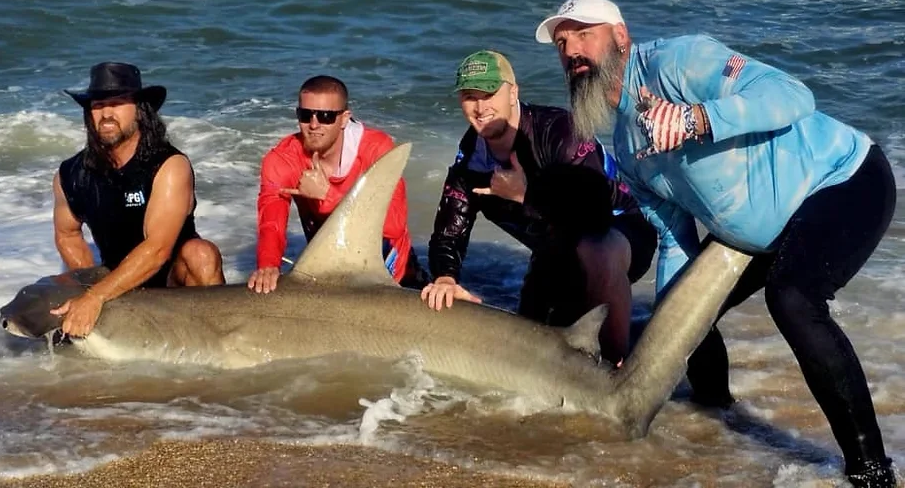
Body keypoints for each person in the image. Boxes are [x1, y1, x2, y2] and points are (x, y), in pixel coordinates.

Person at [535, 0, 898, 488]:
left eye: (584, 34)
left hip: (843, 182)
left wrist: (696, 119)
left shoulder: (677, 61)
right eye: (562, 42)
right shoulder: (624, 144)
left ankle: (872, 472)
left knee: (793, 299)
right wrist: (666, 332)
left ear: (620, 36)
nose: (571, 50)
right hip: (755, 233)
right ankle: (717, 421)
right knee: (685, 319)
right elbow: (671, 239)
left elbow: (793, 95)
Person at [422, 50, 657, 365]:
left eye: (490, 93)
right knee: (529, 348)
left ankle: (617, 369)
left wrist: (525, 194)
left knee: (595, 251)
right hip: (555, 250)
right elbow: (449, 232)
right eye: (469, 96)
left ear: (513, 92)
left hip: (620, 234)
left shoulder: (560, 131)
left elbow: (594, 213)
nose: (480, 107)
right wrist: (446, 279)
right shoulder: (471, 160)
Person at [50, 62, 226, 338]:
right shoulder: (70, 174)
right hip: (114, 276)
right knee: (45, 291)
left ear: (140, 110)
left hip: (174, 280)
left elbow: (157, 249)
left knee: (201, 254)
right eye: (98, 105)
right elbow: (67, 234)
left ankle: (217, 338)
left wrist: (96, 297)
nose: (106, 113)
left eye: (118, 103)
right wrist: (90, 285)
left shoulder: (168, 165)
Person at [248, 75, 427, 293]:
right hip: (331, 269)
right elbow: (271, 223)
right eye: (305, 115)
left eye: (325, 116)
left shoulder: (375, 149)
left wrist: (328, 195)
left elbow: (394, 225)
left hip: (394, 272)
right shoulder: (282, 159)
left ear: (344, 119)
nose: (314, 125)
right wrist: (268, 265)